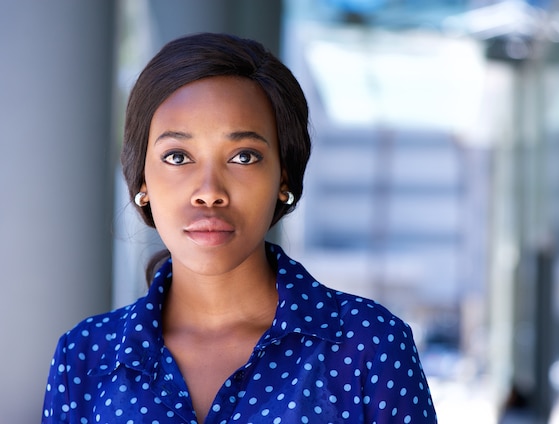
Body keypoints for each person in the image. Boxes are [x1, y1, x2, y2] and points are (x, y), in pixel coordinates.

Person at [42, 32, 437, 424]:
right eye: (178, 157)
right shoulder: (85, 357)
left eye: (243, 156)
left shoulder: (370, 345)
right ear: (141, 180)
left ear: (284, 176)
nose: (209, 192)